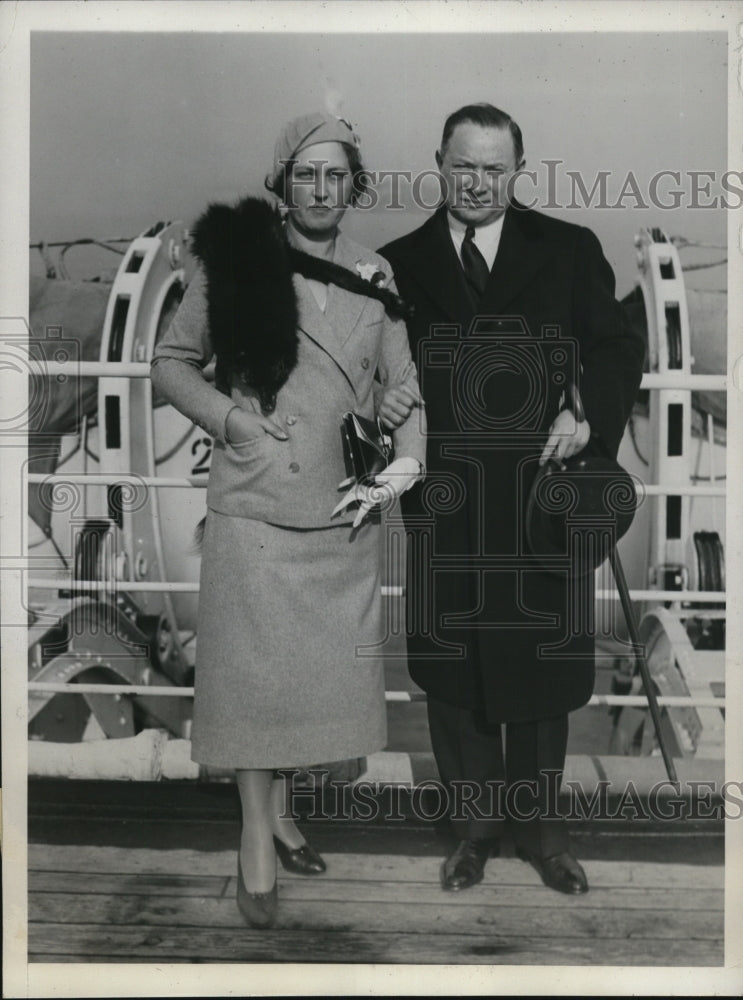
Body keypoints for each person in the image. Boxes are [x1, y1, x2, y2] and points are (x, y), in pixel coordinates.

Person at [150, 111, 425, 927]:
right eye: (306, 173)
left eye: (337, 174)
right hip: (258, 507)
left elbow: (402, 386)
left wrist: (400, 466)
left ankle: (282, 810)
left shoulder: (375, 275)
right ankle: (253, 839)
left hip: (342, 515)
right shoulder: (237, 262)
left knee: (306, 692)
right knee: (250, 689)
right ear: (281, 181)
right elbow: (170, 362)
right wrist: (231, 423)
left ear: (354, 185)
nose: (321, 188)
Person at [379, 103, 644, 894]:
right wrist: (384, 406)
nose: (478, 183)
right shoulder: (396, 263)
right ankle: (472, 834)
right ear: (439, 162)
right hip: (448, 505)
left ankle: (545, 835)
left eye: (494, 170)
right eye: (464, 166)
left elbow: (615, 344)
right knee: (453, 675)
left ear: (517, 171)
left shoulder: (565, 249)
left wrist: (583, 412)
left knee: (541, 671)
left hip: (541, 505)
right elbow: (371, 375)